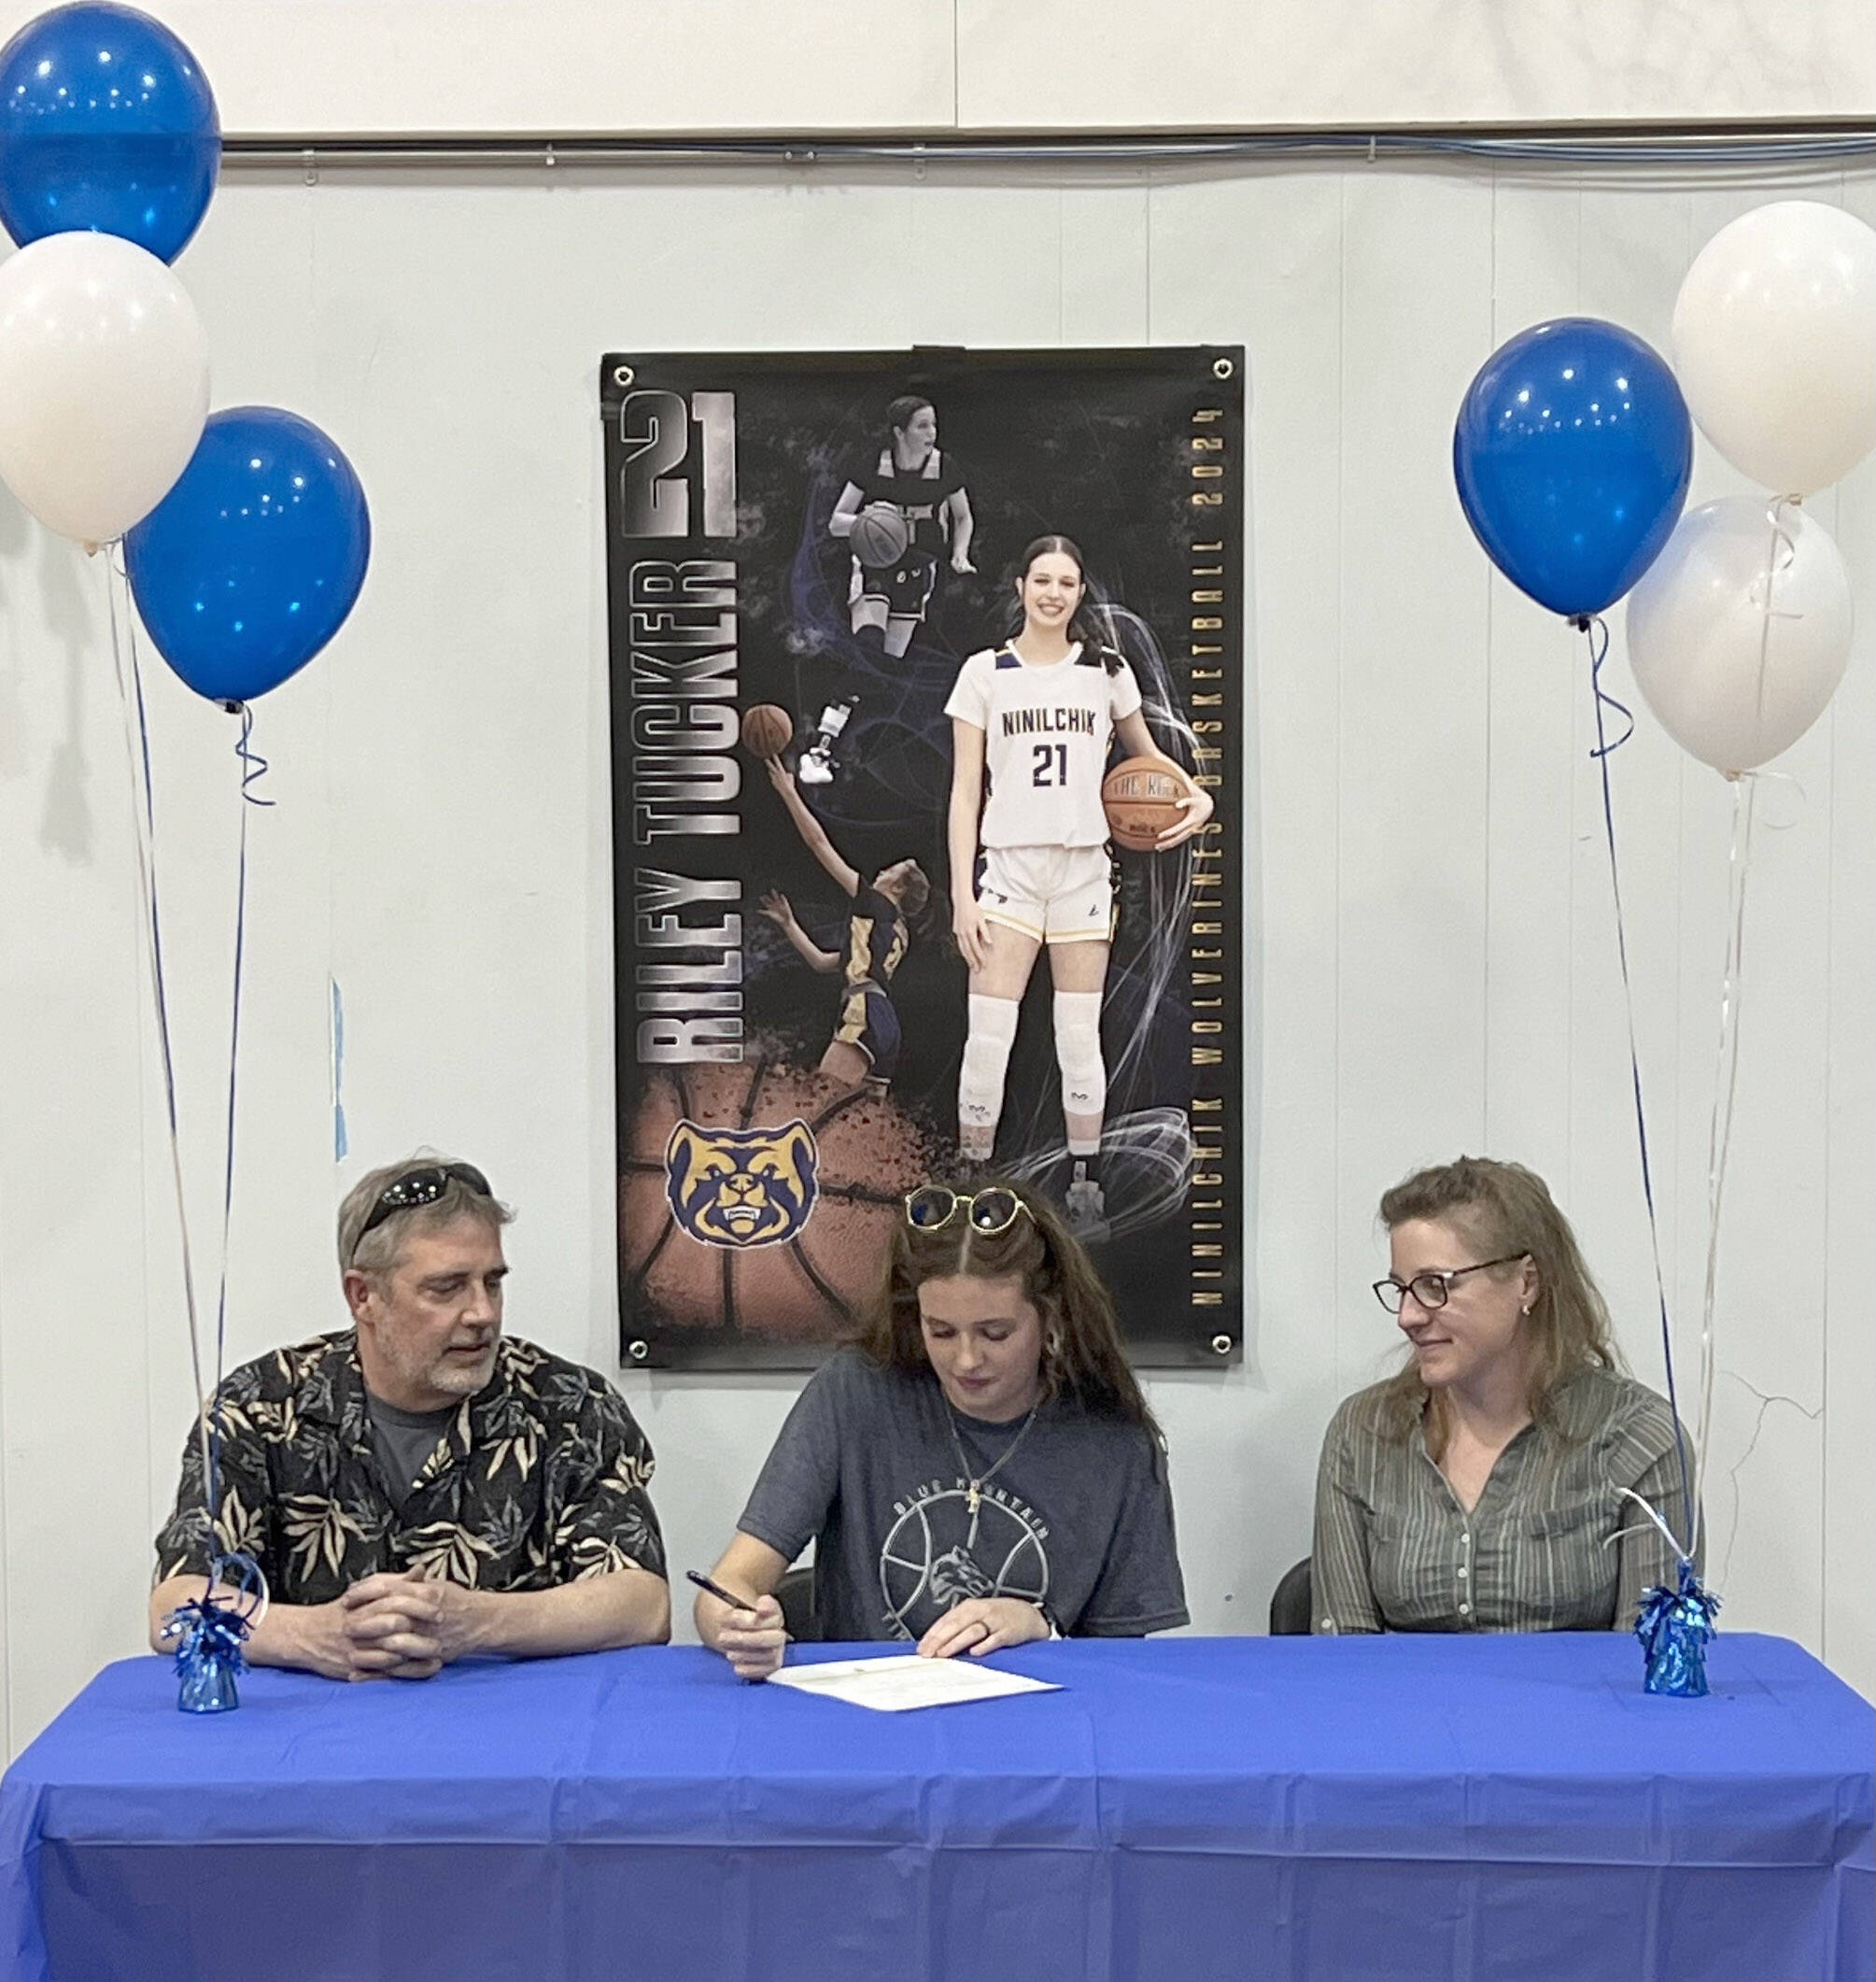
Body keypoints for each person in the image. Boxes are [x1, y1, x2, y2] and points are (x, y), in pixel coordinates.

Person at [148, 1156, 670, 1679]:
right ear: (363, 1296)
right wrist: (314, 1636)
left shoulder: (570, 1407)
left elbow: (643, 1604)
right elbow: (175, 1602)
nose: (483, 1313)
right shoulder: (259, 1409)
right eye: (447, 1288)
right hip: (310, 1737)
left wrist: (478, 1622)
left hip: (514, 1734)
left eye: (492, 1282)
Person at [694, 1178, 1187, 1675]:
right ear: (914, 1319)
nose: (966, 1360)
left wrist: (1044, 1630)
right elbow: (730, 1585)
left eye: (996, 1333)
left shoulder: (1115, 1443)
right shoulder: (854, 1394)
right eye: (941, 1331)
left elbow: (1124, 1669)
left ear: (1051, 1317)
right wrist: (737, 1628)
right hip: (870, 1719)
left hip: (1038, 1730)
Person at [944, 534, 1212, 1235]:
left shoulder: (1106, 670)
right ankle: (973, 1180)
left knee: (1076, 1036)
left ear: (1079, 591)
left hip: (1081, 871)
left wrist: (1198, 797)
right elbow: (963, 791)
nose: (1053, 593)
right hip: (1007, 869)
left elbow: (1147, 759)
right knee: (988, 1039)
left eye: (1066, 582)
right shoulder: (984, 673)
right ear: (1020, 586)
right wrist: (960, 895)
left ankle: (1084, 1182)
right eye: (1041, 579)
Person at [1310, 1155, 1699, 1635]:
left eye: (1435, 1286)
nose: (1407, 1316)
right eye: (1401, 1289)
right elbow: (1343, 1660)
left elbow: (1651, 1663)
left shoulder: (1638, 1439)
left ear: (1526, 1282)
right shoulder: (1363, 1434)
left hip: (1576, 1713)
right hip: (1404, 1711)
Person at [799, 393, 976, 785]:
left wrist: (959, 555)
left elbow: (963, 517)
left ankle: (839, 748)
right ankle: (820, 748)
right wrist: (877, 519)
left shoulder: (944, 468)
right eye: (922, 425)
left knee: (885, 669)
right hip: (877, 566)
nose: (932, 432)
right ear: (899, 432)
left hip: (918, 570)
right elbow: (836, 522)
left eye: (933, 424)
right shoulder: (873, 466)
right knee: (868, 648)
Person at [756, 755, 930, 1088]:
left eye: (890, 871)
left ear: (897, 887)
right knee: (858, 1128)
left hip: (863, 1011)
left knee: (822, 1104)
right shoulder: (896, 932)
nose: (881, 871)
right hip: (885, 1021)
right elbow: (823, 963)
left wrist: (788, 794)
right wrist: (790, 923)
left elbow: (819, 844)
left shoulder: (876, 904)